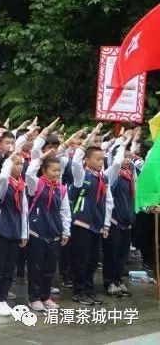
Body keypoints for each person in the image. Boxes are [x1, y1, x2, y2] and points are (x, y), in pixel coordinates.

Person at [69, 124, 115, 306]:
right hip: (82, 222)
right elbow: (74, 162)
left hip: (97, 224)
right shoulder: (82, 175)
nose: (100, 162)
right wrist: (87, 140)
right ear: (87, 160)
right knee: (81, 259)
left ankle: (89, 290)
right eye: (97, 159)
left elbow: (108, 201)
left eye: (102, 160)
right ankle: (79, 291)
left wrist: (105, 224)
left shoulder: (103, 178)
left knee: (93, 261)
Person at [24, 152, 71, 311]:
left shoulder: (62, 190)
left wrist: (65, 231)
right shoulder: (36, 184)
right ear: (44, 171)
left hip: (54, 234)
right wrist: (41, 157)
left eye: (59, 170)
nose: (57, 173)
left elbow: (65, 212)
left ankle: (45, 296)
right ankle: (34, 297)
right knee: (35, 267)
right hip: (37, 233)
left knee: (50, 269)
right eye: (53, 170)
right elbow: (29, 172)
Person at [0, 152, 28, 316]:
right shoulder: (1, 182)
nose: (19, 167)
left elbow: (24, 211)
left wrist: (24, 233)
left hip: (15, 231)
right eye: (15, 164)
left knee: (9, 268)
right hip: (1, 230)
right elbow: (3, 180)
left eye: (20, 164)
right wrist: (7, 164)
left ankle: (2, 297)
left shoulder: (20, 184)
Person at [103, 133, 135, 298]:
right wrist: (122, 143)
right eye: (124, 157)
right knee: (112, 254)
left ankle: (118, 280)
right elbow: (115, 162)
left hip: (126, 220)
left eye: (130, 157)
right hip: (115, 220)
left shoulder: (131, 175)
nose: (128, 160)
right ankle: (109, 282)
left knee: (123, 254)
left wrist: (132, 140)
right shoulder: (113, 176)